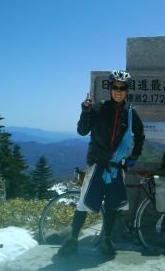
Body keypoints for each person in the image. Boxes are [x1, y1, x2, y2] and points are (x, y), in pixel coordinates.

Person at [58, 70, 145, 256]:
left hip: (116, 166)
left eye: (123, 88)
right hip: (97, 165)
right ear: (110, 88)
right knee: (84, 202)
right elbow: (82, 131)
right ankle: (72, 238)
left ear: (127, 90)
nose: (118, 91)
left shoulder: (129, 113)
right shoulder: (98, 108)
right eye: (115, 87)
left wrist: (134, 157)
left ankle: (106, 239)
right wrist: (85, 110)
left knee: (113, 206)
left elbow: (140, 134)